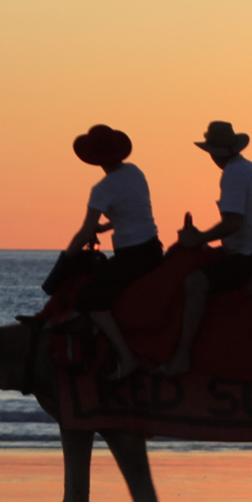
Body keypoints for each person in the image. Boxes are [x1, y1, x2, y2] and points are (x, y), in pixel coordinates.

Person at [160, 120, 252, 378]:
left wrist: (199, 238)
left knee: (195, 282)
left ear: (214, 153)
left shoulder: (233, 174)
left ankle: (182, 355)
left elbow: (233, 222)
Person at [67, 125, 159, 378]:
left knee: (90, 298)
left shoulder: (102, 188)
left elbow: (85, 231)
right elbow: (132, 212)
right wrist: (107, 226)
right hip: (152, 248)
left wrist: (67, 255)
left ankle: (126, 358)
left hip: (132, 255)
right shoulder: (134, 172)